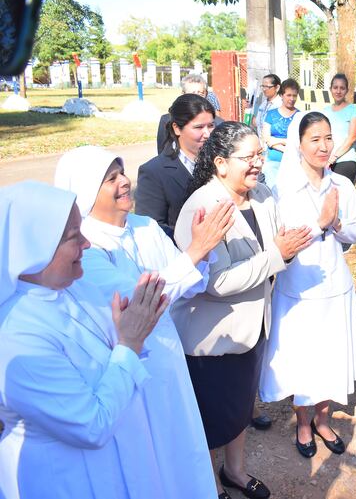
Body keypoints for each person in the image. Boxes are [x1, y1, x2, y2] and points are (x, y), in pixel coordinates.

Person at [54, 145, 234, 499]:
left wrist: (204, 250)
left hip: (168, 355)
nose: (125, 182)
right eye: (112, 178)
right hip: (130, 367)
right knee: (152, 460)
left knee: (181, 441)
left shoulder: (145, 226)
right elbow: (140, 301)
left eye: (123, 172)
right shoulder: (86, 247)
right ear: (87, 190)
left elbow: (188, 284)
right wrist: (195, 252)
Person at [0, 181, 169, 499]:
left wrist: (130, 335)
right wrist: (129, 343)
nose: (87, 244)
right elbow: (90, 425)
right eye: (72, 236)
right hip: (63, 478)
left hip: (111, 463)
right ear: (35, 246)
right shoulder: (15, 335)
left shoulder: (70, 288)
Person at [173, 122, 311, 499]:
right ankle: (208, 485)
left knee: (239, 411)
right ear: (220, 163)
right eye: (247, 157)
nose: (257, 164)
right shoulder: (201, 208)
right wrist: (276, 256)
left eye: (260, 155)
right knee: (210, 419)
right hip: (214, 338)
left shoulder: (263, 195)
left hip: (253, 328)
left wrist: (294, 244)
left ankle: (234, 471)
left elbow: (280, 244)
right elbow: (215, 284)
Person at [261, 112, 356, 458]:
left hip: (335, 286)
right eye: (314, 139)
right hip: (298, 290)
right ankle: (303, 423)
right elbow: (288, 240)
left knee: (329, 359)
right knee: (302, 359)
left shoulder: (343, 186)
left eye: (328, 138)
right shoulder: (284, 191)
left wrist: (335, 224)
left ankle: (323, 420)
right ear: (299, 144)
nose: (323, 147)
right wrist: (321, 222)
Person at [136, 94, 216, 239]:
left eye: (210, 126)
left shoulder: (222, 160)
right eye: (199, 127)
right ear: (177, 128)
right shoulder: (154, 172)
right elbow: (151, 229)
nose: (207, 134)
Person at [156, 74, 224, 154]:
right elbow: (163, 152)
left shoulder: (218, 122)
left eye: (201, 93)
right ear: (183, 94)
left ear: (206, 94)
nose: (197, 97)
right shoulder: (167, 120)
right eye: (192, 93)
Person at [322, 73, 356, 184]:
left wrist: (333, 158)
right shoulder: (325, 111)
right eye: (335, 87)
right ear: (330, 89)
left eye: (342, 88)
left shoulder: (353, 110)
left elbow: (352, 138)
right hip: (325, 160)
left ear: (347, 90)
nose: (338, 91)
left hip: (345, 160)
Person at [262, 78, 301, 189]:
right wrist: (286, 145)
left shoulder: (299, 116)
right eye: (289, 95)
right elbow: (267, 138)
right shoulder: (270, 114)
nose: (292, 99)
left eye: (294, 95)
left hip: (293, 162)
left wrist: (275, 141)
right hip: (272, 162)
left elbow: (298, 141)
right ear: (282, 95)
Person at [252, 73, 282, 139]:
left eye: (267, 87)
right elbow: (256, 123)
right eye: (263, 86)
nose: (264, 89)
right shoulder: (263, 104)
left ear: (277, 87)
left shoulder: (280, 105)